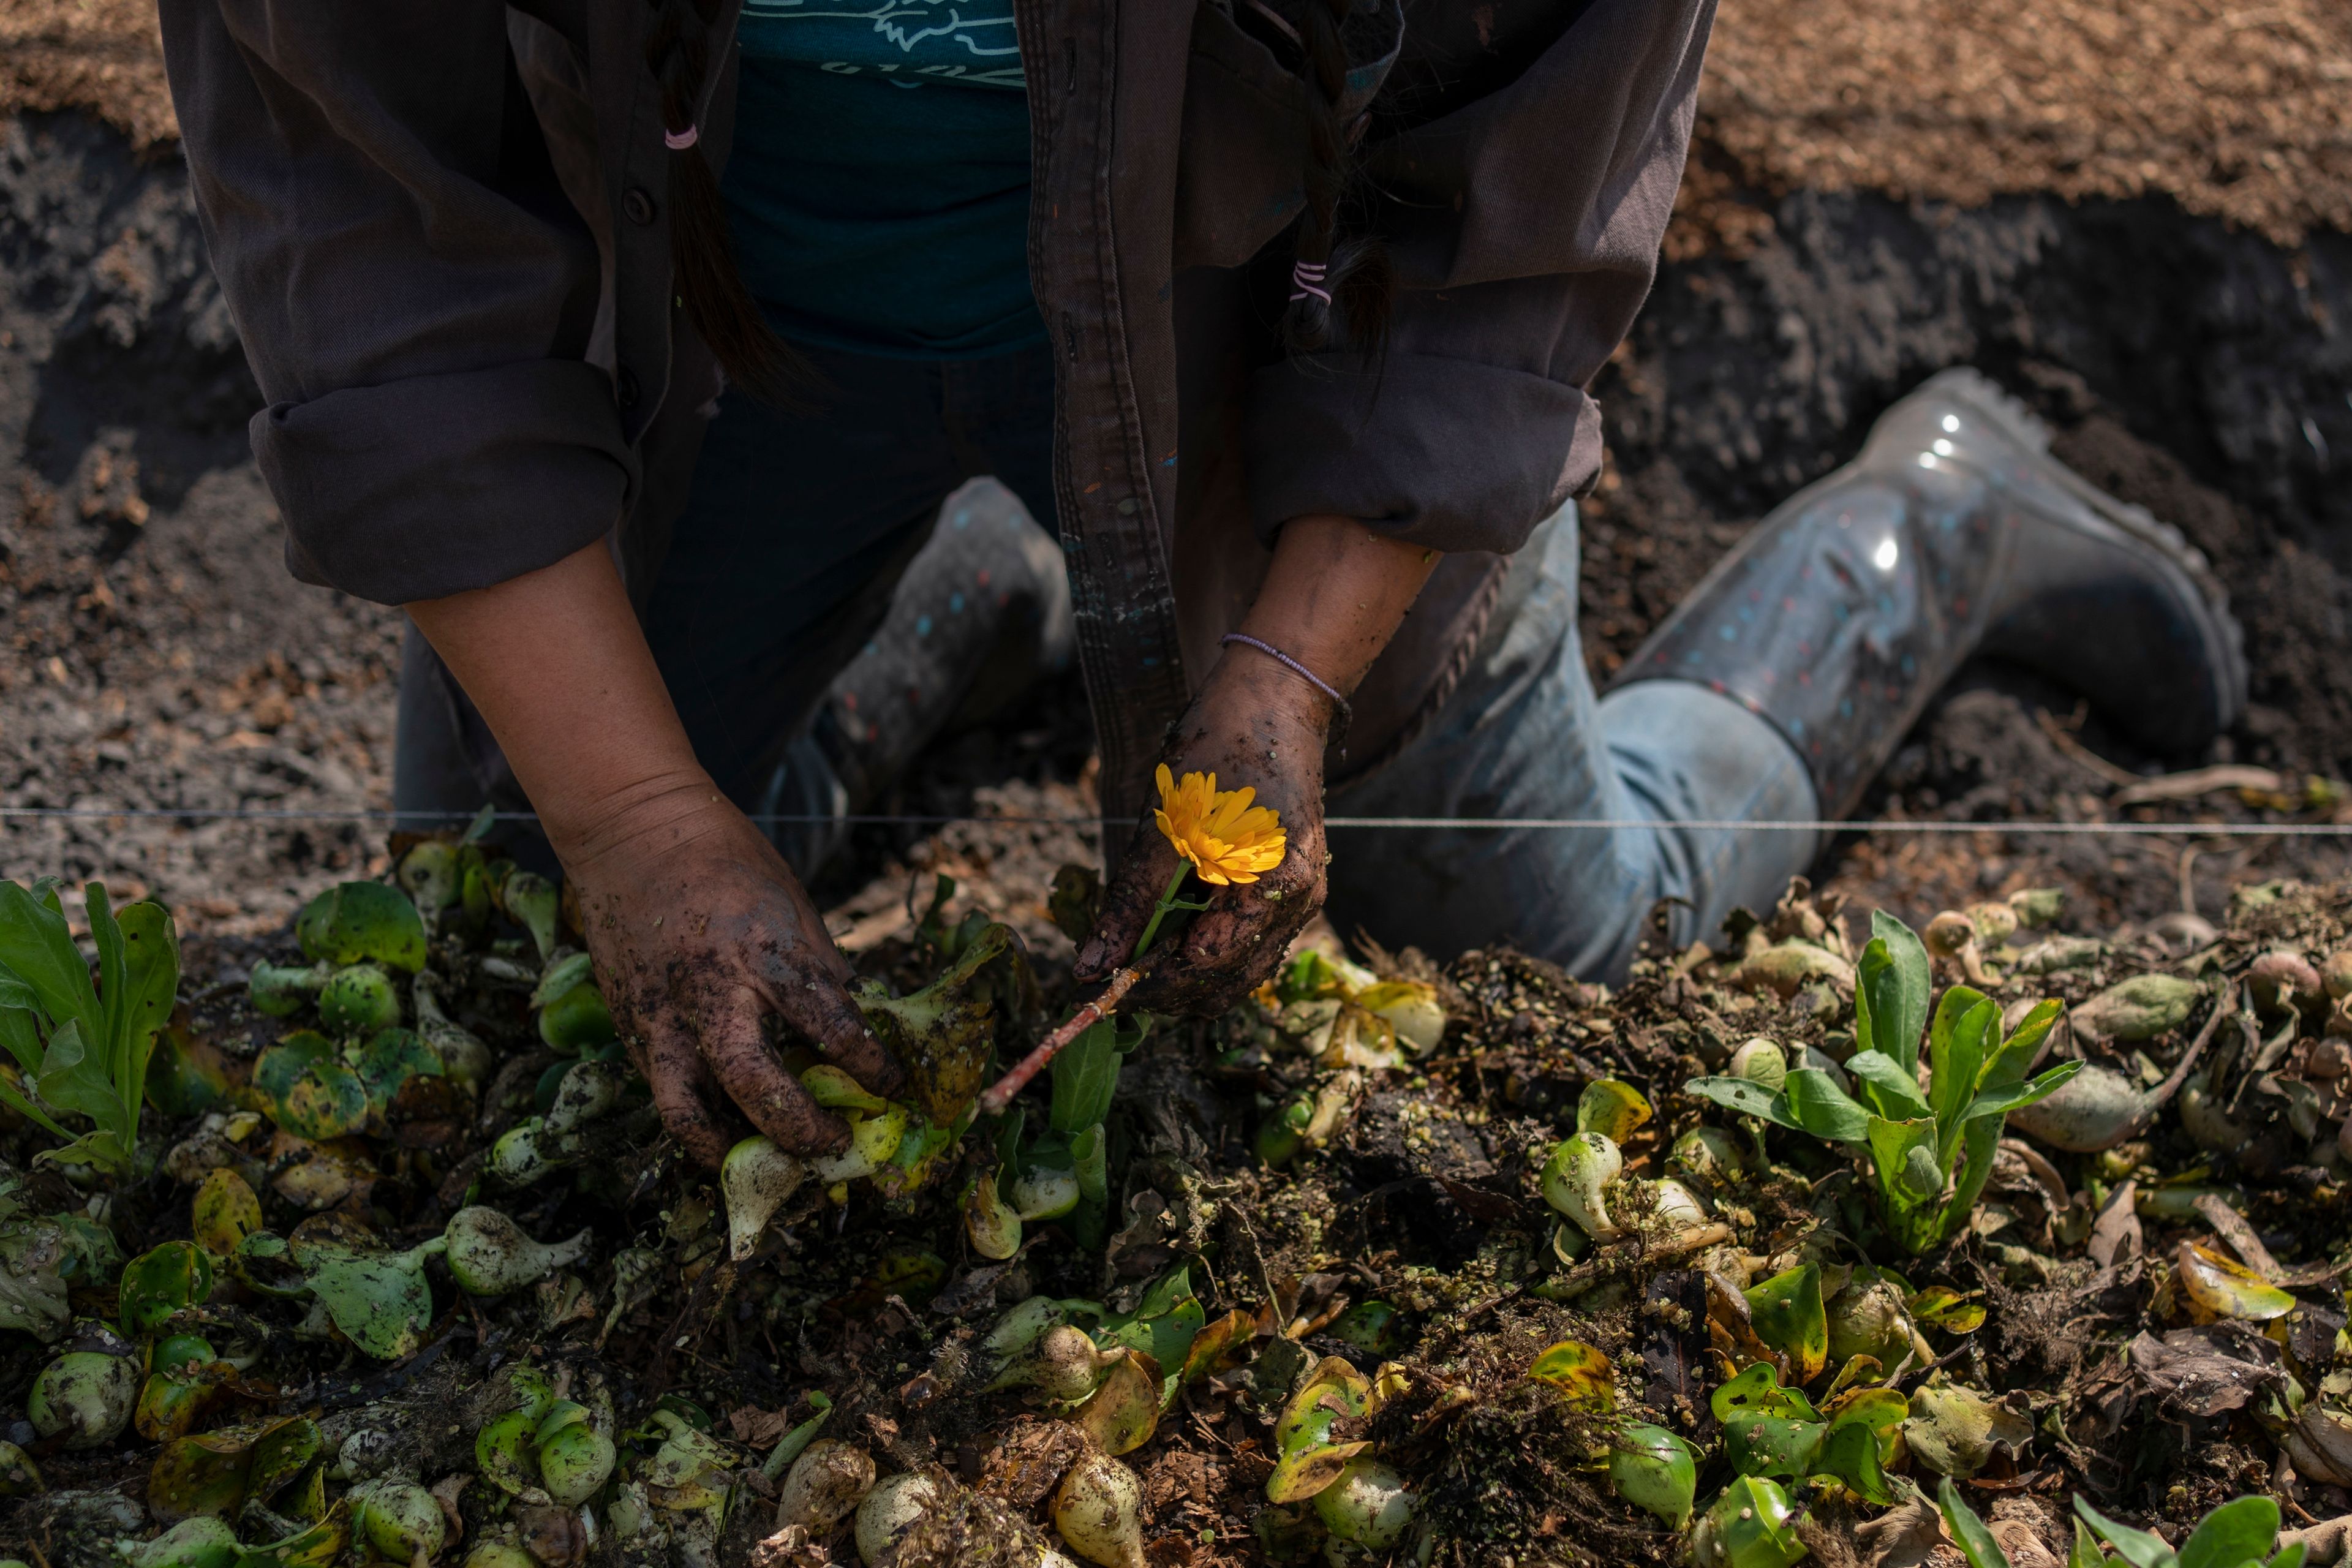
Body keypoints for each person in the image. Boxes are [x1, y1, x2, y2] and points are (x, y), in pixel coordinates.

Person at [158, 0, 2244, 1167]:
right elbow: (375, 226)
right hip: (711, 339)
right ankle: (978, 586)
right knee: (516, 935)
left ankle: (1937, 519)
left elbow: (1509, 225)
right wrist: (635, 820)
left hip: (1271, 346)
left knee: (1548, 957)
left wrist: (1282, 675)